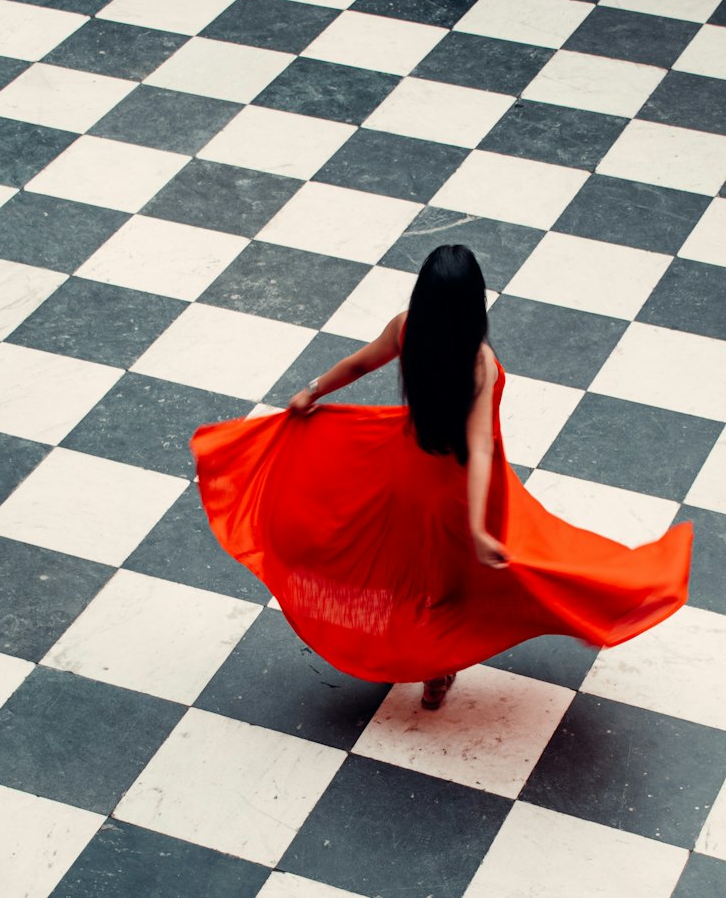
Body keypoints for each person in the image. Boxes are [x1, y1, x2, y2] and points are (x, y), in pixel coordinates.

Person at [191, 244, 692, 710]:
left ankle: (417, 658)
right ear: (474, 305)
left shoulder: (406, 327)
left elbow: (360, 363)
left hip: (407, 467)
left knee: (405, 564)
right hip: (459, 490)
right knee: (492, 576)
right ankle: (440, 665)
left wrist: (312, 390)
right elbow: (478, 447)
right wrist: (477, 526)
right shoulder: (480, 363)